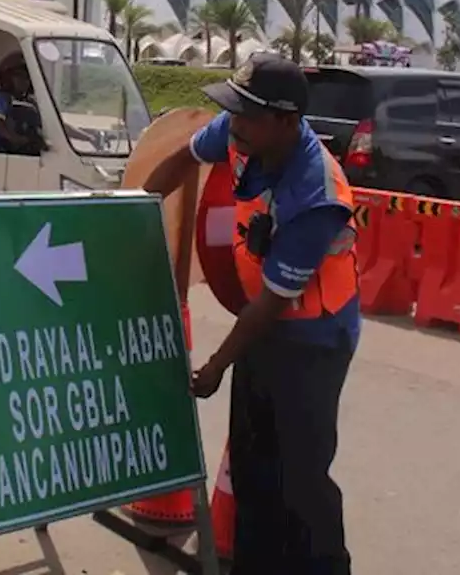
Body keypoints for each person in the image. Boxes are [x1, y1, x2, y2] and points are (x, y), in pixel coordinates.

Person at [142, 53, 358, 575]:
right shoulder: (242, 132)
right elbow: (179, 161)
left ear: (286, 121)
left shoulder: (316, 194)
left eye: (246, 115)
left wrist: (216, 365)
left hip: (314, 339)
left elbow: (272, 303)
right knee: (252, 463)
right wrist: (131, 213)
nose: (231, 123)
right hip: (260, 326)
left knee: (302, 480)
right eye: (232, 112)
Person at [0, 51, 46, 163]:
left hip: (15, 160)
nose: (24, 82)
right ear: (7, 78)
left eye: (27, 78)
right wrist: (21, 140)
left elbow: (47, 123)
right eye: (19, 77)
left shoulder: (29, 103)